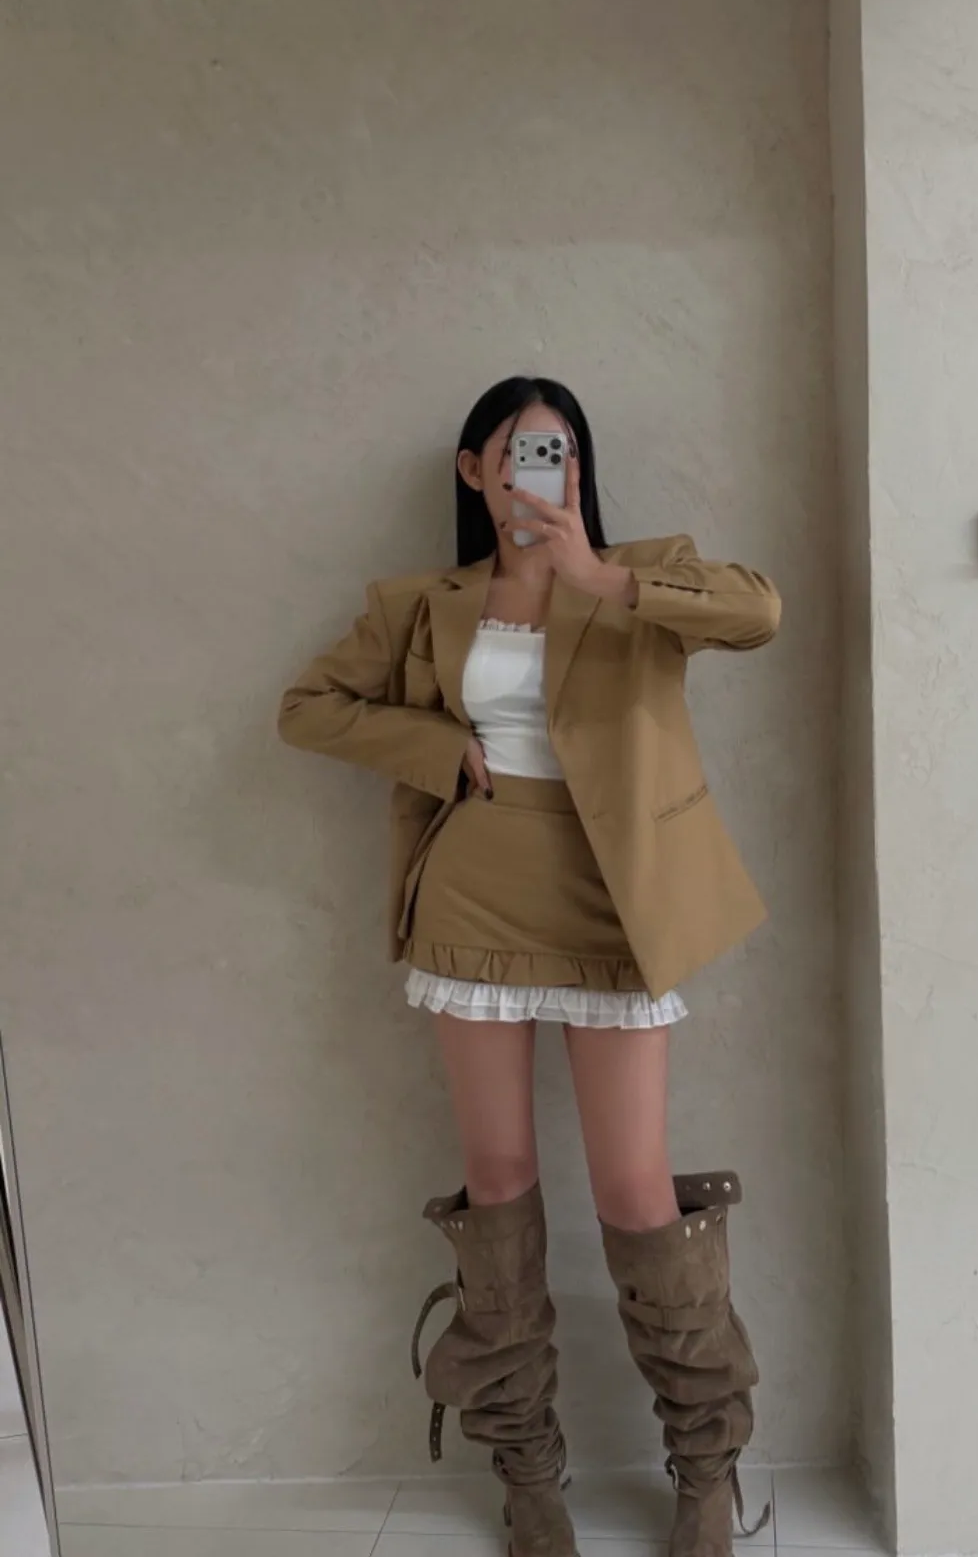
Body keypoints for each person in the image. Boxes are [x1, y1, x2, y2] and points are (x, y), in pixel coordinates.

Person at [278, 376, 780, 1557]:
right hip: (473, 900)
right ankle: (527, 1475)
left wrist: (600, 576)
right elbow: (307, 707)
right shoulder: (422, 603)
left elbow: (760, 613)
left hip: (617, 909)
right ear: (475, 470)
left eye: (560, 451)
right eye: (516, 451)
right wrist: (435, 745)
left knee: (636, 1193)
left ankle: (707, 1470)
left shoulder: (643, 575)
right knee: (498, 1184)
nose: (539, 470)